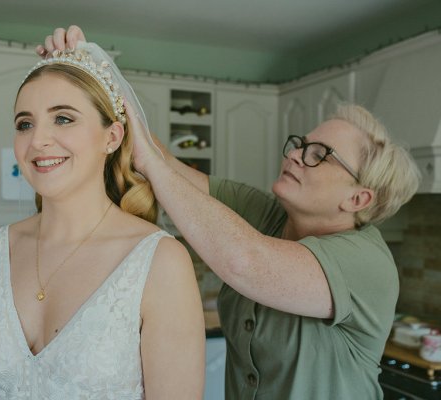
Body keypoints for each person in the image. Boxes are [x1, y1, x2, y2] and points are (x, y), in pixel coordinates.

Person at [39, 26, 422, 400]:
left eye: (319, 154)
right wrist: (97, 69)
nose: (293, 154)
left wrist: (150, 162)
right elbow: (164, 166)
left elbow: (246, 262)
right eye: (300, 144)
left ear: (358, 199)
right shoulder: (265, 212)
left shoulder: (366, 263)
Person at [0, 40, 205, 399]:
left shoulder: (160, 261)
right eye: (25, 124)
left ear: (112, 137)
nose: (38, 140)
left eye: (63, 118)